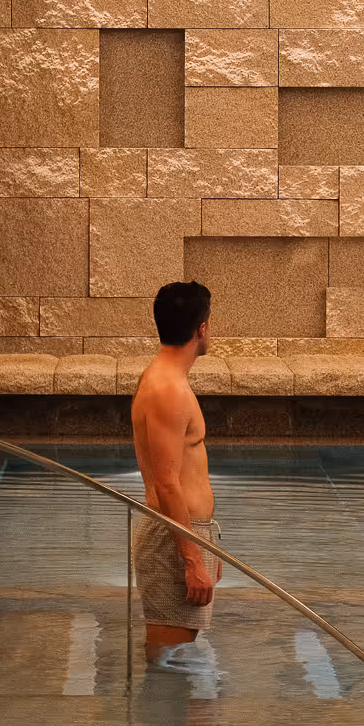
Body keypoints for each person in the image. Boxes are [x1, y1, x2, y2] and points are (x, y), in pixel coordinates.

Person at [130, 280, 221, 664]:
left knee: (178, 668)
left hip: (182, 536)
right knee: (169, 670)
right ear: (201, 328)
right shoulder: (168, 389)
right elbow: (167, 484)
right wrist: (192, 560)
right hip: (173, 542)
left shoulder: (167, 379)